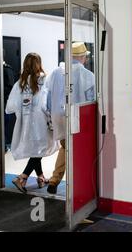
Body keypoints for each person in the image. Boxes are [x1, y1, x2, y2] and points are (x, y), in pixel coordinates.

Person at [46, 42, 95, 194]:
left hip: (58, 116)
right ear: (82, 57)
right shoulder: (87, 74)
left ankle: (55, 180)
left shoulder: (55, 72)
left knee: (66, 147)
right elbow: (91, 99)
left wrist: (51, 114)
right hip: (77, 116)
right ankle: (78, 185)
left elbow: (47, 97)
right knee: (79, 150)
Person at [6, 53, 59, 193]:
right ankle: (22, 177)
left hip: (26, 123)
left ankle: (41, 177)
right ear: (38, 63)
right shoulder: (43, 79)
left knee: (37, 149)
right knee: (40, 148)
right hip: (41, 121)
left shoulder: (21, 82)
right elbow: (46, 103)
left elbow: (10, 107)